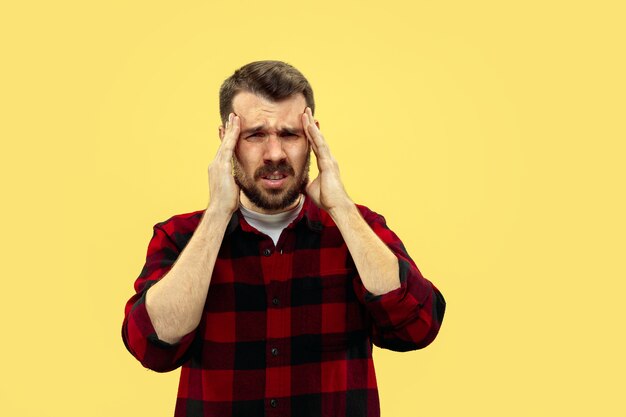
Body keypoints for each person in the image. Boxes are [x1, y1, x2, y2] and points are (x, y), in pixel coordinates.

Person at [122, 60, 445, 417]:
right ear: (226, 140)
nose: (275, 154)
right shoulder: (181, 236)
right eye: (255, 134)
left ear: (313, 137)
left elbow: (419, 328)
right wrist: (217, 214)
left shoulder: (358, 229)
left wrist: (341, 207)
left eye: (290, 134)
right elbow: (152, 346)